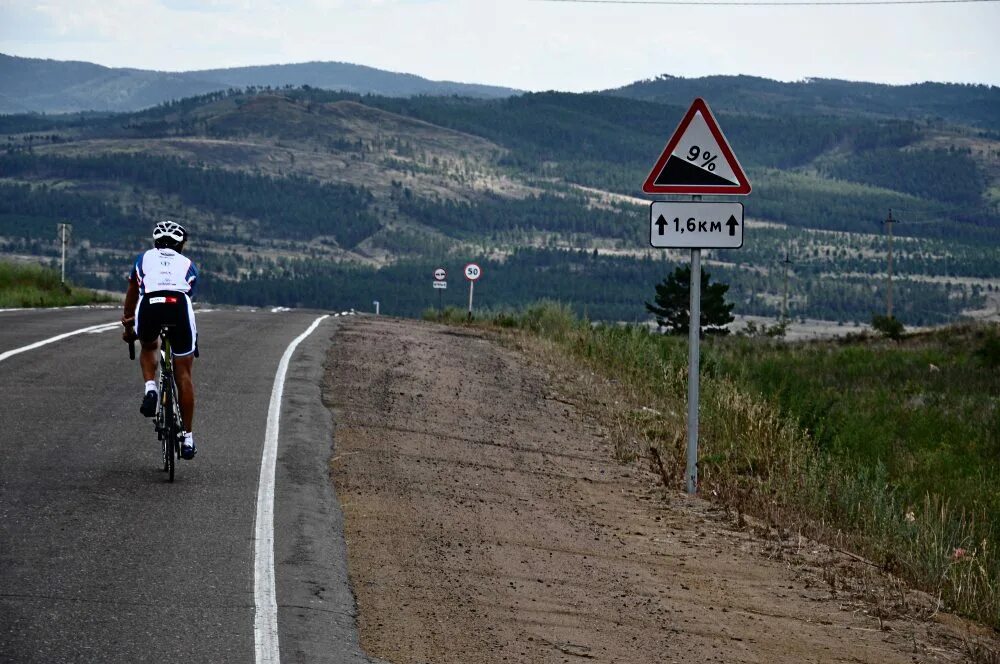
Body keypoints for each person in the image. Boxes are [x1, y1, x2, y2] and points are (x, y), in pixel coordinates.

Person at [121, 221, 199, 460]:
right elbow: (188, 292)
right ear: (180, 244)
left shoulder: (142, 259)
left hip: (150, 306)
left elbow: (133, 292)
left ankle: (151, 388)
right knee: (183, 373)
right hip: (178, 307)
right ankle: (187, 438)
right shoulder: (189, 265)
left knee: (148, 344)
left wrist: (128, 324)